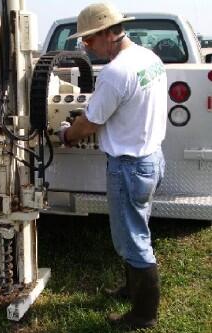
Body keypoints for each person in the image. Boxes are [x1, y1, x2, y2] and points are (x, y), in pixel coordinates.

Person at [57, 2, 167, 329]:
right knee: (137, 227)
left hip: (129, 167)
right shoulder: (149, 59)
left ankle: (143, 315)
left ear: (107, 33)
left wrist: (66, 135)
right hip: (151, 159)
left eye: (88, 41)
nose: (86, 48)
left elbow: (89, 123)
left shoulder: (116, 72)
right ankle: (130, 288)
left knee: (131, 239)